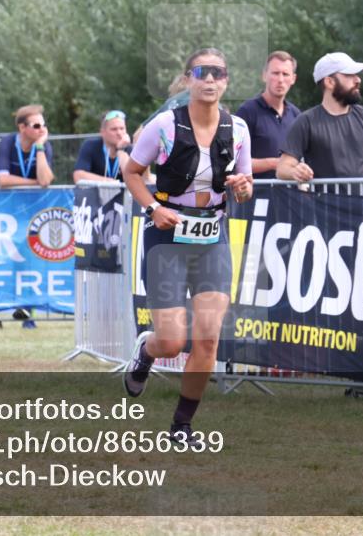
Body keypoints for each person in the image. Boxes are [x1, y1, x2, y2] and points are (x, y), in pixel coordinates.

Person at [122, 47, 253, 448]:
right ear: (188, 79)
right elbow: (131, 172)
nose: (210, 80)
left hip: (212, 236)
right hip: (167, 235)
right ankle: (147, 349)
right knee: (173, 341)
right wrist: (153, 208)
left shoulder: (239, 130)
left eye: (218, 73)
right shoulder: (163, 125)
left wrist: (244, 188)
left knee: (209, 337)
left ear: (226, 80)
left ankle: (181, 427)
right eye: (202, 72)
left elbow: (245, 186)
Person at [276, 51, 363, 196]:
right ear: (329, 82)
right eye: (349, 75)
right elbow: (282, 168)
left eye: (357, 75)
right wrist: (295, 171)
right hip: (327, 215)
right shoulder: (306, 121)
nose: (358, 79)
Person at [235, 51, 301, 180]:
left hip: (290, 196)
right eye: (275, 73)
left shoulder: (296, 115)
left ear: (293, 79)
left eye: (285, 74)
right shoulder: (247, 111)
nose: (280, 80)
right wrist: (272, 164)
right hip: (255, 195)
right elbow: (233, 160)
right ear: (264, 75)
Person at [0, 105, 54, 188]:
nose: (42, 129)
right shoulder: (8, 142)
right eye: (37, 126)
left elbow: (45, 181)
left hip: (37, 199)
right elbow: (2, 180)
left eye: (44, 125)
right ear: (22, 127)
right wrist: (35, 183)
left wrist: (39, 146)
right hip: (11, 198)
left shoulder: (44, 145)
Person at [72, 110, 132, 183]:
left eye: (122, 128)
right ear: (102, 132)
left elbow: (132, 179)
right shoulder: (91, 146)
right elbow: (78, 176)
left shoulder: (130, 149)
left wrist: (121, 150)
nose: (119, 133)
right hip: (96, 193)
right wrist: (111, 183)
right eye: (114, 129)